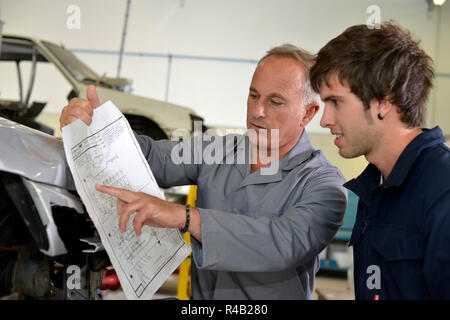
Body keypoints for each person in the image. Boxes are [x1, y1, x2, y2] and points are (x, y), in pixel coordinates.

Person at [60, 44, 347, 299]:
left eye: (275, 101)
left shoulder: (323, 184)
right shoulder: (218, 152)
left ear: (308, 113)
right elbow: (151, 157)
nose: (257, 111)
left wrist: (186, 217)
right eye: (253, 95)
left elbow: (283, 242)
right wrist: (98, 129)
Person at [310, 22, 450, 299]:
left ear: (383, 102)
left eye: (336, 102)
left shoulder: (442, 191)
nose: (325, 120)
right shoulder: (375, 189)